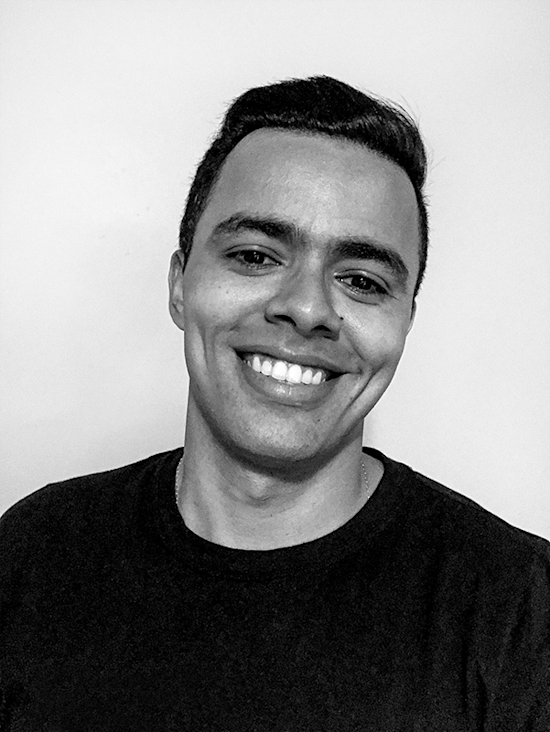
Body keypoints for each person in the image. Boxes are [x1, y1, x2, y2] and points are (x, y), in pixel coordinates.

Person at [1, 76, 548, 731]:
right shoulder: (31, 554)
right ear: (180, 284)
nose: (308, 307)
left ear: (406, 320)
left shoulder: (521, 612)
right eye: (256, 256)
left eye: (362, 280)